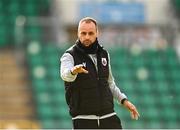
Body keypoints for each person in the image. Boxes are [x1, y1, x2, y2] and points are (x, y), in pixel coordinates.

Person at [60, 17, 140, 129]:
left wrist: (124, 101)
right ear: (78, 34)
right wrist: (73, 71)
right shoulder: (69, 55)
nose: (87, 37)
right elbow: (65, 75)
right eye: (83, 33)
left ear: (97, 33)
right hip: (84, 119)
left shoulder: (104, 54)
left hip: (108, 116)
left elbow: (110, 83)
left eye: (90, 33)